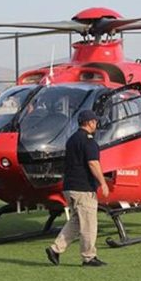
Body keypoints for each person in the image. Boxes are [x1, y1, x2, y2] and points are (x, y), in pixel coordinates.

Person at [45, 110, 110, 268]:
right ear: (89, 123)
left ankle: (55, 249)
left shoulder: (72, 139)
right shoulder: (89, 141)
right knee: (88, 224)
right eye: (94, 121)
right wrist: (103, 182)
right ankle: (89, 257)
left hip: (69, 187)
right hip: (83, 188)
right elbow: (93, 163)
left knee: (76, 221)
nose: (96, 124)